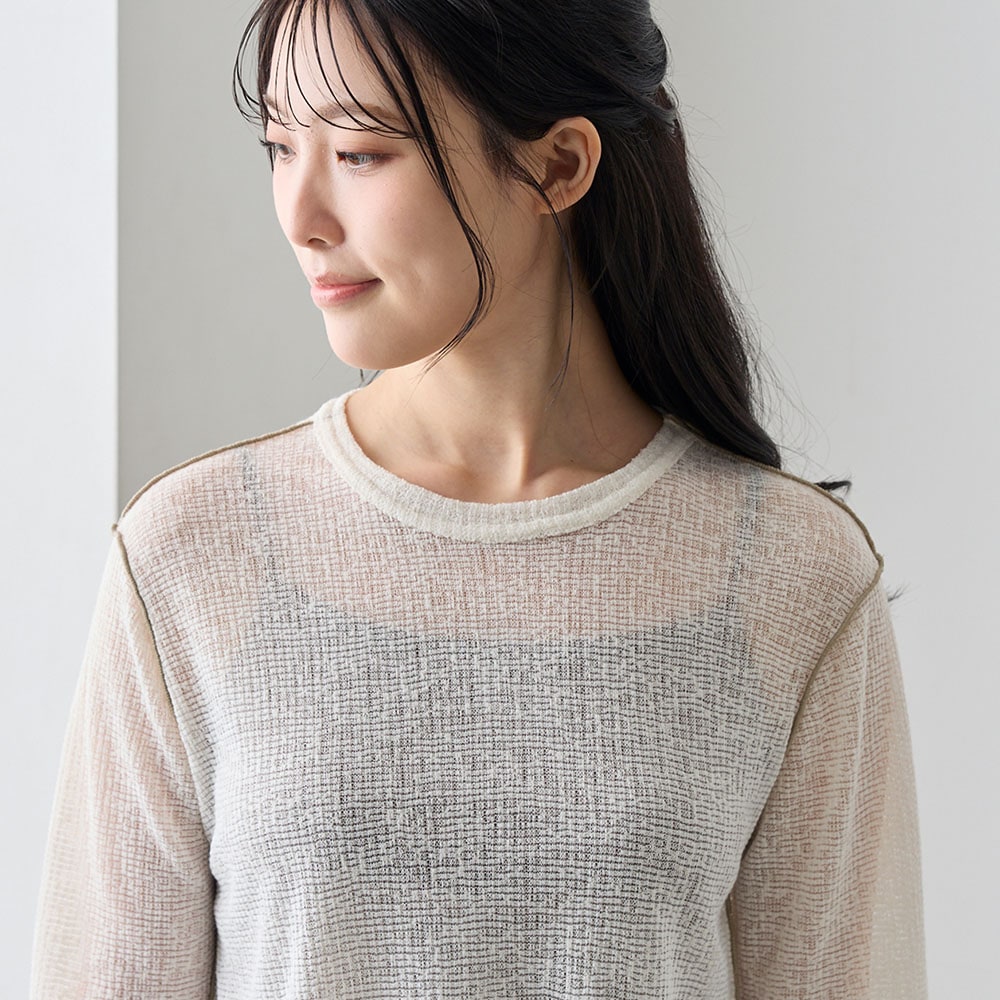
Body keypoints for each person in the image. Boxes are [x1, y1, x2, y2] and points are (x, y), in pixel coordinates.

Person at [31, 1, 927, 997]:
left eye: (362, 152)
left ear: (557, 166)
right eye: (281, 147)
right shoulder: (192, 553)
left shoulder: (790, 575)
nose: (301, 215)